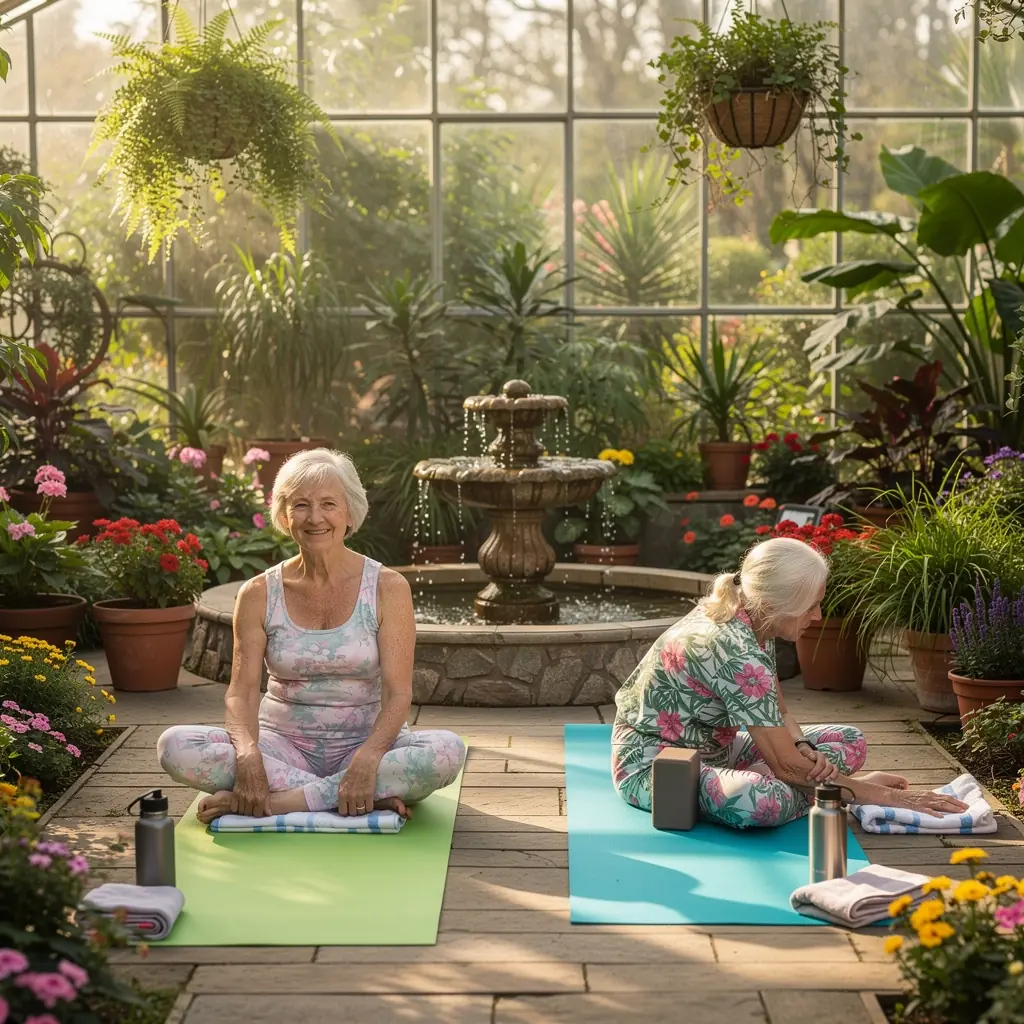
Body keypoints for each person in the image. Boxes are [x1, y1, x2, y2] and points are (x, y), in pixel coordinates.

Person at [158, 448, 466, 824]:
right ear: (285, 515)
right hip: (281, 747)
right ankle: (358, 797)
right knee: (174, 746)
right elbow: (241, 691)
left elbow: (399, 693)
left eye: (329, 504)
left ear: (350, 511)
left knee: (448, 751)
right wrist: (249, 755)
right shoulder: (257, 593)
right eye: (301, 504)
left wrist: (368, 758)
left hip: (368, 744)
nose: (315, 517)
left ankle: (280, 801)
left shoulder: (387, 587)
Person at [611, 537, 968, 828]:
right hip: (657, 766)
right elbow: (787, 767)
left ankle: (826, 788)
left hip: (719, 750)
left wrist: (802, 745)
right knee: (762, 801)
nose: (818, 616)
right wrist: (884, 797)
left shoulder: (750, 618)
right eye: (811, 606)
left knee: (849, 741)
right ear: (778, 603)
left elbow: (780, 711)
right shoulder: (736, 652)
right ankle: (832, 792)